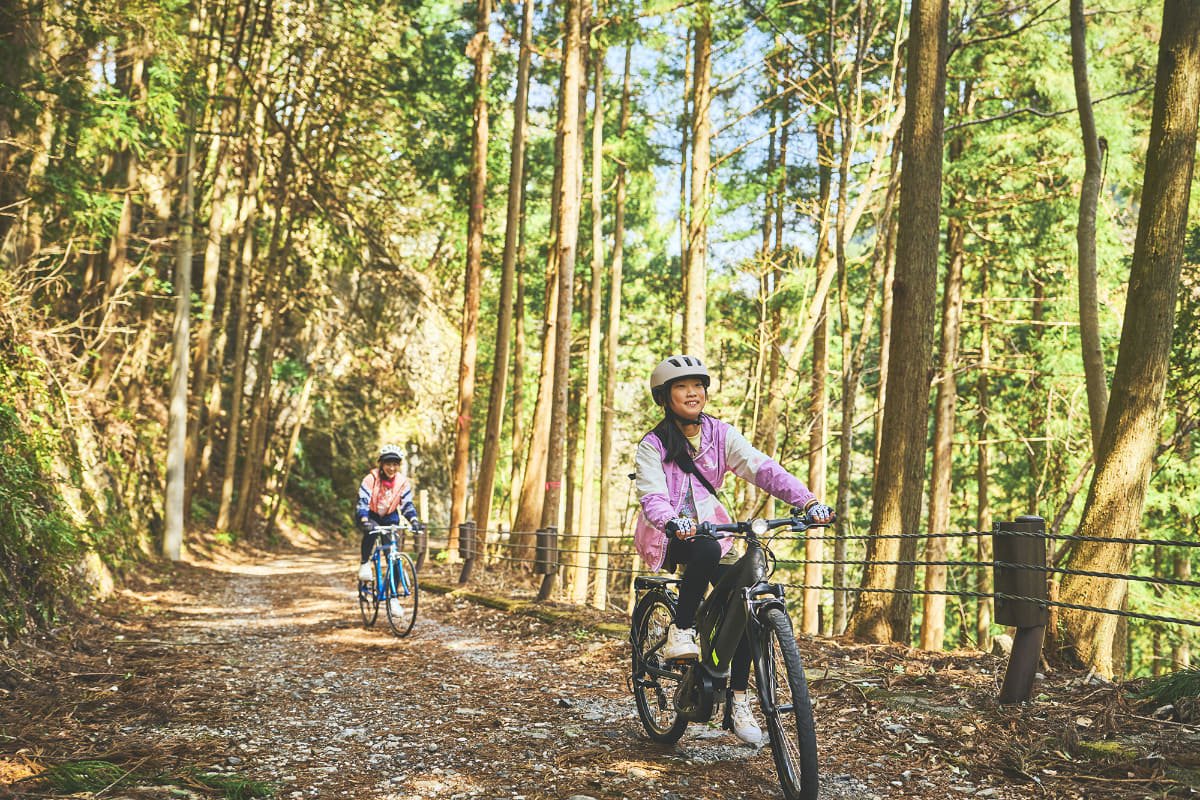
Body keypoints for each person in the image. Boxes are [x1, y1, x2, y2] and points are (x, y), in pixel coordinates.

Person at [633, 354, 834, 745]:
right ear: (665, 396)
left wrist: (808, 502)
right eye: (681, 387)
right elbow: (652, 495)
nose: (692, 393)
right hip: (672, 535)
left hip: (715, 531)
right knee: (704, 548)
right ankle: (682, 629)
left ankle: (739, 701)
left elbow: (762, 468)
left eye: (698, 386)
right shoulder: (653, 444)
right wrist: (673, 521)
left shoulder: (719, 435)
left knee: (743, 605)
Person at [356, 444, 423, 618]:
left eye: (395, 464)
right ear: (381, 463)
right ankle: (365, 563)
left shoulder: (402, 482)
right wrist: (364, 520)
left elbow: (407, 504)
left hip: (390, 516)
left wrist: (414, 520)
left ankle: (392, 597)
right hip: (371, 514)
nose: (391, 468)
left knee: (393, 557)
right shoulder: (371, 479)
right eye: (388, 463)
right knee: (370, 535)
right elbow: (362, 501)